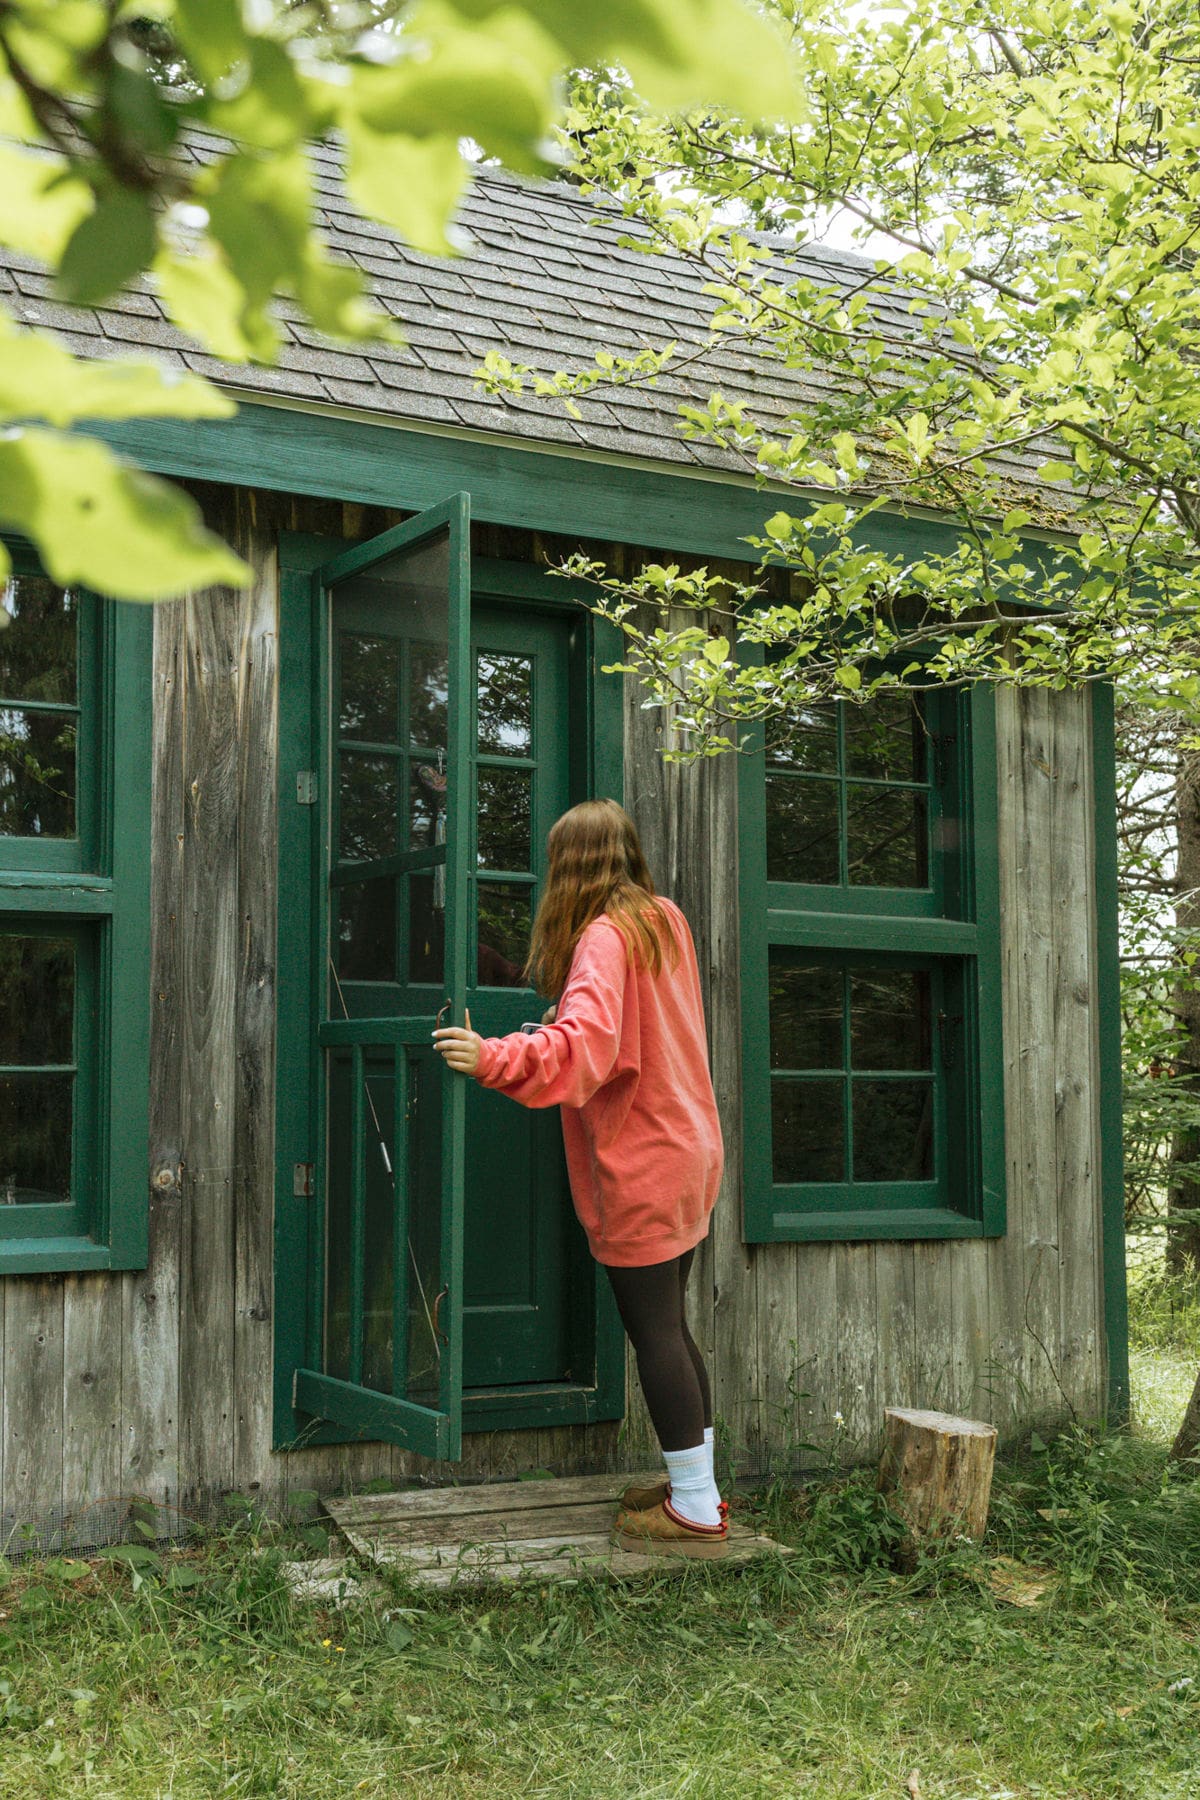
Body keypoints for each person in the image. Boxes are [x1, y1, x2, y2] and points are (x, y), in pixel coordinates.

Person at [433, 797, 728, 1559]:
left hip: (645, 1161)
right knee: (673, 1324)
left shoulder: (602, 936)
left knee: (654, 1332)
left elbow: (588, 1047)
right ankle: (699, 1489)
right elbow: (617, 1028)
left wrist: (493, 1057)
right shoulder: (661, 918)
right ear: (626, 855)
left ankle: (695, 1511)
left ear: (569, 867)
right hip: (689, 1147)